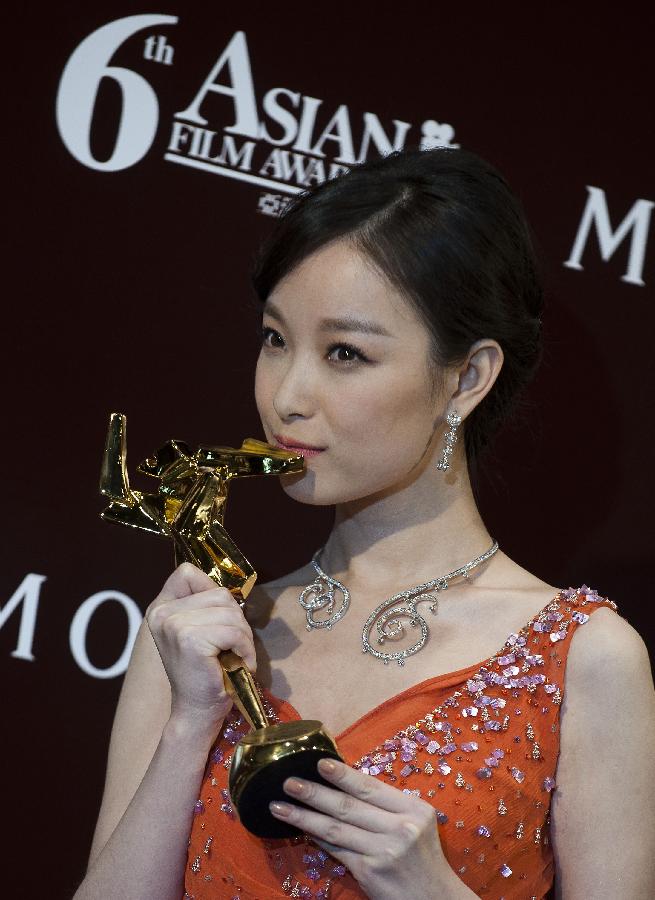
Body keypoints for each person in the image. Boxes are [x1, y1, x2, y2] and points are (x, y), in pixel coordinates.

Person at [75, 148, 655, 900]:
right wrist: (191, 721)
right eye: (275, 339)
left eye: (344, 353)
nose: (287, 396)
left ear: (467, 377)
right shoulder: (202, 636)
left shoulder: (584, 660)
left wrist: (430, 889)